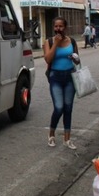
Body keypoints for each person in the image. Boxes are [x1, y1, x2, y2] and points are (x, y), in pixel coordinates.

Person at [43, 16, 80, 150]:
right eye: (56, 26)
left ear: (65, 27)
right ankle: (51, 134)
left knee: (68, 108)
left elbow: (77, 60)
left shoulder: (72, 41)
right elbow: (48, 59)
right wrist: (56, 44)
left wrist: (74, 58)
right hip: (55, 77)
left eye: (61, 26)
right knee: (59, 107)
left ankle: (67, 138)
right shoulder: (49, 41)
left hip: (70, 77)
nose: (58, 29)